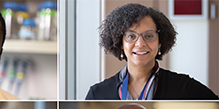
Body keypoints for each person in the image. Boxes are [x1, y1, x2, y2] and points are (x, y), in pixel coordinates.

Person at [85, 3, 218, 100]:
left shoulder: (184, 88)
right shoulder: (97, 94)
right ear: (120, 43)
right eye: (131, 36)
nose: (140, 43)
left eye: (149, 36)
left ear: (160, 42)